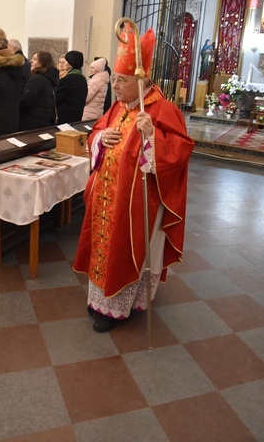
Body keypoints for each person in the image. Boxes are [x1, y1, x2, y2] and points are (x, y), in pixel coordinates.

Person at [73, 22, 194, 333]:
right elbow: (96, 131)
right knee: (102, 247)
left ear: (140, 82)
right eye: (114, 78)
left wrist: (152, 136)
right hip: (106, 200)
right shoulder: (117, 107)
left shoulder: (162, 110)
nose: (116, 85)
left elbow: (180, 151)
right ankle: (101, 299)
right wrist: (102, 138)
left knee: (127, 249)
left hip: (140, 204)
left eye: (122, 81)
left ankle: (118, 307)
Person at [20, 50, 58, 130]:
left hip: (31, 124)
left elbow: (27, 102)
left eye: (35, 59)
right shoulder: (49, 79)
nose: (31, 61)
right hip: (43, 123)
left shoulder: (37, 79)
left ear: (42, 62)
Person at [55, 50, 87, 124]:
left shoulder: (67, 80)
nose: (64, 63)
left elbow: (57, 98)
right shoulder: (82, 78)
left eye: (66, 61)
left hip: (65, 119)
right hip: (77, 117)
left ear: (70, 64)